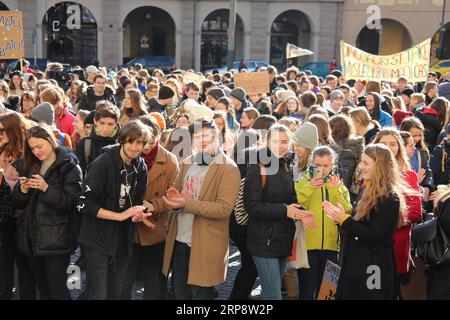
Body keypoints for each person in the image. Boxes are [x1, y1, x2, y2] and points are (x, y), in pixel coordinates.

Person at [161, 118, 241, 300]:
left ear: (217, 138)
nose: (202, 140)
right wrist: (173, 202)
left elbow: (223, 209)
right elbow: (178, 198)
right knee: (180, 296)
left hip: (205, 245)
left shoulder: (229, 169)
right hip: (180, 241)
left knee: (201, 297)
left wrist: (185, 204)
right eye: (197, 136)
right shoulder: (186, 163)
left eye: (206, 135)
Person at [324, 144, 409, 299]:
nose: (360, 167)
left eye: (366, 163)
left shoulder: (389, 197)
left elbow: (374, 236)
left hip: (374, 268)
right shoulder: (368, 190)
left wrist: (344, 219)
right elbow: (360, 224)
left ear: (380, 166)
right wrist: (340, 218)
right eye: (361, 162)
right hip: (357, 265)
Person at [77, 120, 150, 300]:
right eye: (130, 142)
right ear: (121, 141)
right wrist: (118, 216)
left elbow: (137, 200)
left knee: (116, 292)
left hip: (123, 238)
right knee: (98, 293)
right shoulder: (103, 163)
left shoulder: (140, 166)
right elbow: (83, 203)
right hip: (97, 237)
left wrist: (138, 213)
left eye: (139, 142)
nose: (134, 147)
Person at [244, 124, 317, 300]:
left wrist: (302, 213)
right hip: (263, 241)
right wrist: (285, 211)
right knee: (273, 295)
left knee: (271, 292)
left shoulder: (286, 165)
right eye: (275, 141)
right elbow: (252, 206)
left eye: (284, 141)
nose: (280, 145)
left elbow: (291, 198)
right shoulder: (258, 166)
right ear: (267, 142)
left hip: (283, 239)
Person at [12, 124, 82, 299]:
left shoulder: (70, 166)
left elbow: (70, 203)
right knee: (43, 289)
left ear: (50, 141)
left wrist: (46, 188)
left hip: (57, 239)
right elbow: (18, 203)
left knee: (58, 289)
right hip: (32, 238)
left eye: (39, 146)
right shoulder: (29, 165)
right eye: (32, 148)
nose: (36, 151)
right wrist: (23, 190)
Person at [122, 116, 179, 300]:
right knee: (124, 281)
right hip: (127, 227)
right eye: (140, 141)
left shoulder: (170, 161)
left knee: (153, 283)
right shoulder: (126, 155)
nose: (144, 146)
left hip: (156, 231)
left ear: (159, 138)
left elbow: (174, 196)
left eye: (149, 141)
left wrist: (153, 206)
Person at [295, 146, 352, 300]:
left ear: (333, 165)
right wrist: (310, 187)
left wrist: (336, 190)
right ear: (311, 163)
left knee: (328, 291)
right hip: (308, 245)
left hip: (331, 246)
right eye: (317, 165)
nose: (322, 169)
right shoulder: (303, 181)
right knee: (307, 290)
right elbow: (298, 204)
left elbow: (346, 210)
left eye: (326, 165)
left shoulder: (338, 184)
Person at [373, 128, 422, 298]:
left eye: (392, 144)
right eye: (383, 144)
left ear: (399, 147)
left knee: (391, 292)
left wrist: (388, 222)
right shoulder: (368, 173)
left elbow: (416, 212)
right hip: (371, 247)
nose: (388, 147)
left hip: (396, 246)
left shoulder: (409, 175)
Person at [0, 112, 24, 299]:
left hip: (20, 216)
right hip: (4, 215)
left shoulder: (24, 155)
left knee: (20, 265)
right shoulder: (2, 150)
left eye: (1, 131)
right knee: (5, 263)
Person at [75, 101, 120, 174]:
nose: (105, 128)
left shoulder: (122, 144)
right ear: (95, 121)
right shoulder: (84, 144)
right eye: (102, 123)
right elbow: (79, 175)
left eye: (110, 124)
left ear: (116, 123)